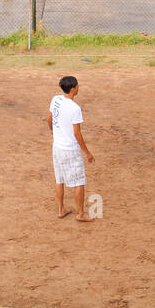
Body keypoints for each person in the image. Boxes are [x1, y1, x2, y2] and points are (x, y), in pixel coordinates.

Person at [45, 76, 96, 221]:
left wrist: (52, 131)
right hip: (70, 150)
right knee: (79, 181)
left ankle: (61, 209)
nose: (78, 87)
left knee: (59, 179)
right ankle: (80, 214)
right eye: (77, 86)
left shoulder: (56, 99)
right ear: (73, 89)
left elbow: (49, 118)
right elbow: (77, 133)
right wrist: (87, 152)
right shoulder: (75, 108)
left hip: (57, 147)